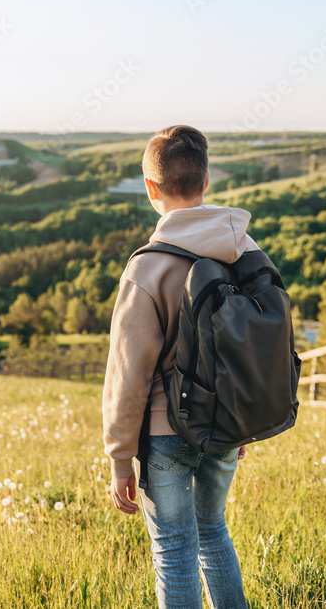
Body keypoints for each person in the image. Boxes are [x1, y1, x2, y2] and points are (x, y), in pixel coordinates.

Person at [103, 125, 255, 609]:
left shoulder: (146, 269)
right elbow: (255, 346)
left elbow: (128, 375)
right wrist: (242, 421)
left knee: (174, 549)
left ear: (151, 189)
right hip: (226, 423)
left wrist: (120, 457)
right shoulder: (245, 253)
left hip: (165, 430)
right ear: (206, 181)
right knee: (213, 531)